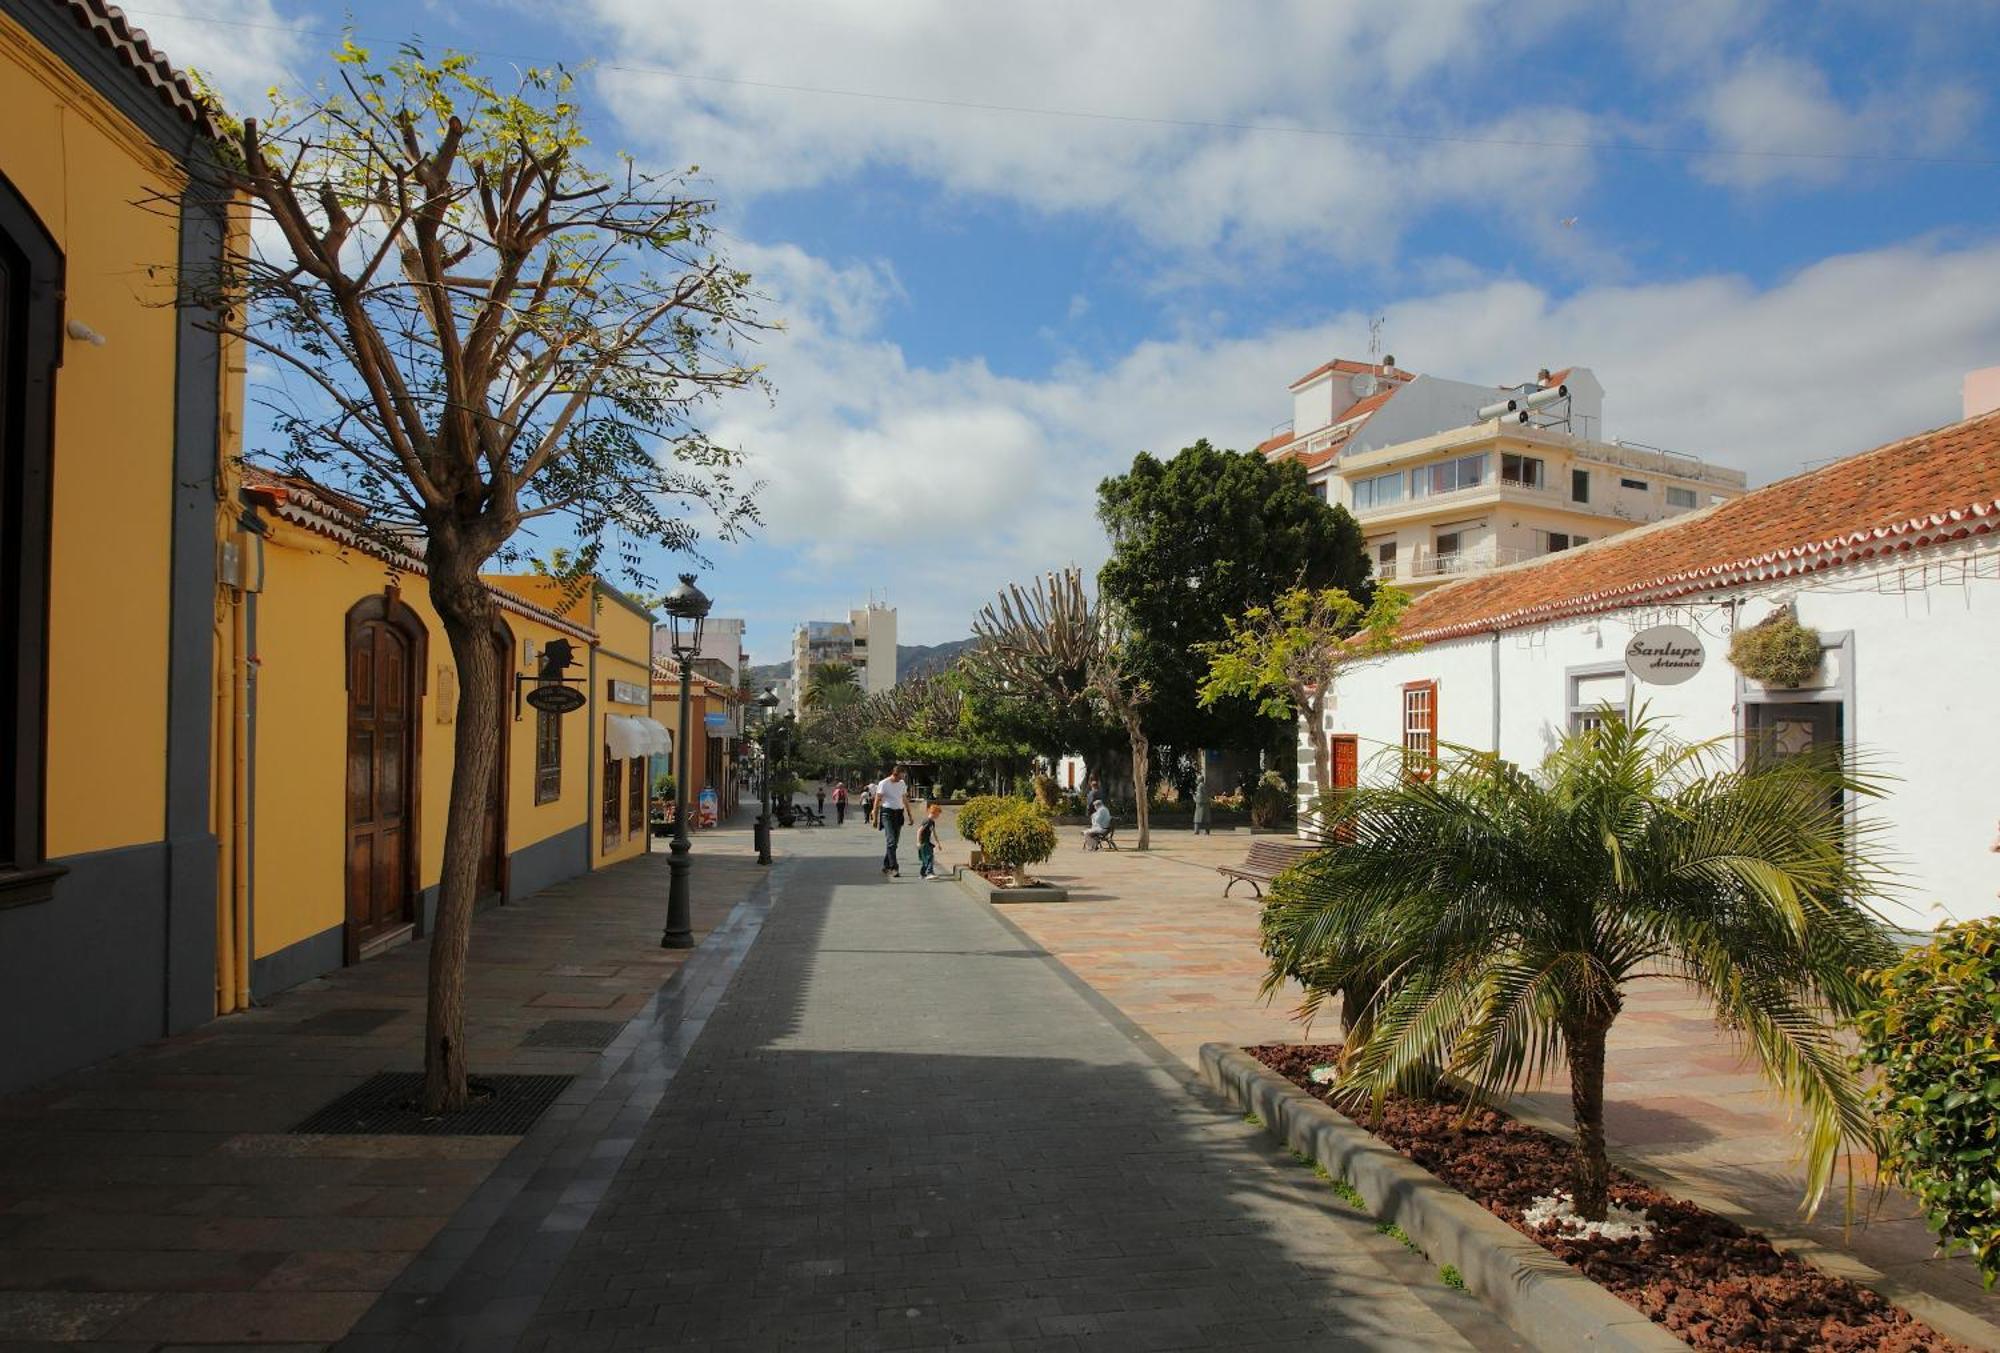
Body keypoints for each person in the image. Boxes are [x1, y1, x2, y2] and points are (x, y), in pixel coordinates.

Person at [872, 766, 910, 877]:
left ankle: (886, 865)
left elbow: (904, 799)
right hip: (887, 813)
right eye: (901, 776)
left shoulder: (902, 783)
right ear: (895, 774)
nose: (902, 778)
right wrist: (874, 816)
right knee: (891, 840)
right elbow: (877, 800)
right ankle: (894, 868)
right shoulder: (884, 783)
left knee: (894, 843)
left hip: (899, 813)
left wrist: (910, 814)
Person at [917, 802, 945, 879]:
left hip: (927, 842)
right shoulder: (927, 821)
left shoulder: (932, 822)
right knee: (929, 857)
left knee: (926, 858)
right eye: (938, 814)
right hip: (924, 842)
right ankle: (929, 872)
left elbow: (934, 833)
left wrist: (938, 843)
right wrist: (918, 842)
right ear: (934, 812)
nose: (938, 816)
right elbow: (919, 831)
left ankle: (923, 874)